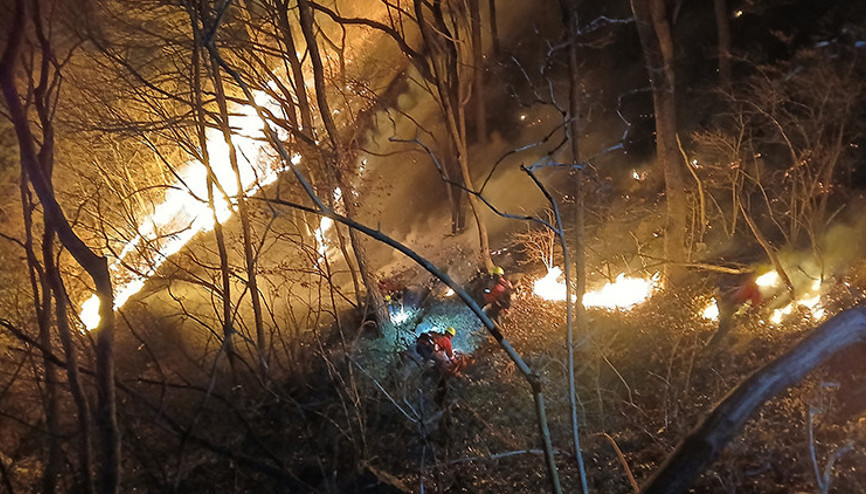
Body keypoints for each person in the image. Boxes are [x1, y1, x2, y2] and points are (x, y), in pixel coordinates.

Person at [707, 273, 763, 348]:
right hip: (729, 305)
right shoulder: (752, 288)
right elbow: (754, 302)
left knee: (724, 327)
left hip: (727, 303)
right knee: (724, 327)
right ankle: (713, 345)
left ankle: (714, 344)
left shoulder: (745, 286)